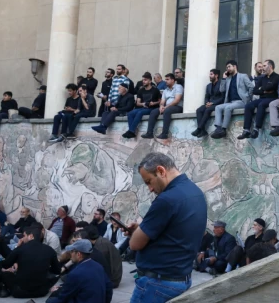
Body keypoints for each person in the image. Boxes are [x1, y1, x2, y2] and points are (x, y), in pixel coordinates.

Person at [126, 152, 207, 302]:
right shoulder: (195, 192)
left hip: (157, 284)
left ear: (161, 171)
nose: (150, 188)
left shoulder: (166, 199)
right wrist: (142, 228)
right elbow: (178, 230)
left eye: (149, 181)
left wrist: (138, 231)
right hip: (180, 278)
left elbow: (135, 244)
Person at [0, 226, 61, 298]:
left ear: (31, 236)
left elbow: (5, 264)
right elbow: (57, 271)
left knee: (5, 274)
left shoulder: (21, 249)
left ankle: (3, 288)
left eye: (24, 235)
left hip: (19, 292)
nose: (22, 238)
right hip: (41, 292)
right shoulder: (49, 250)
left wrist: (17, 247)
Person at [46, 239, 113, 303]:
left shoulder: (76, 273)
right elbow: (109, 288)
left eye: (72, 251)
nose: (70, 254)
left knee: (51, 300)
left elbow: (63, 297)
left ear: (78, 254)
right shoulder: (98, 266)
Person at [238, 60, 279, 139]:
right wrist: (265, 91)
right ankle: (246, 130)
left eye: (264, 66)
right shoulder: (262, 78)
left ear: (270, 66)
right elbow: (255, 90)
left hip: (272, 98)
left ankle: (256, 129)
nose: (262, 68)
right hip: (262, 98)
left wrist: (263, 89)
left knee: (261, 105)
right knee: (248, 106)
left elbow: (271, 87)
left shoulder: (277, 77)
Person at [211, 60, 254, 139]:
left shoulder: (243, 76)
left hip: (241, 101)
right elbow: (222, 90)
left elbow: (251, 87)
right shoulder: (228, 79)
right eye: (227, 67)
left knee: (228, 108)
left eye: (229, 67)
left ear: (235, 66)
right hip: (231, 102)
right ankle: (218, 128)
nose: (228, 69)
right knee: (218, 107)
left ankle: (224, 129)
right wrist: (223, 79)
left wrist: (248, 98)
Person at [141, 73, 184, 140]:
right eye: (165, 79)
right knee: (153, 112)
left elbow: (177, 100)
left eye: (167, 79)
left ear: (173, 80)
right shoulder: (166, 90)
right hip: (167, 107)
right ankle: (149, 133)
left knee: (167, 111)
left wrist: (165, 107)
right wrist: (161, 106)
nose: (165, 81)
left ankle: (164, 134)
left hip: (177, 107)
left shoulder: (178, 87)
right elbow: (162, 101)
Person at [123, 72, 161, 138]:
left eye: (145, 80)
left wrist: (153, 103)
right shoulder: (140, 90)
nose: (143, 81)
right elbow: (138, 103)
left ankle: (131, 131)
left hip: (152, 108)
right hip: (143, 107)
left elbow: (160, 101)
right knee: (130, 113)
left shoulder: (155, 90)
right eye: (143, 80)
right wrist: (143, 104)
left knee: (140, 112)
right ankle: (131, 131)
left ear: (150, 81)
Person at [191, 69, 225, 138]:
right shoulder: (208, 86)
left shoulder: (222, 84)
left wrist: (212, 103)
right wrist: (207, 103)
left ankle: (199, 129)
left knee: (208, 110)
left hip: (218, 104)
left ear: (216, 75)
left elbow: (222, 97)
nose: (210, 76)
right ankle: (203, 131)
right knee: (199, 110)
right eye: (210, 74)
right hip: (209, 104)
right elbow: (206, 96)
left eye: (211, 74)